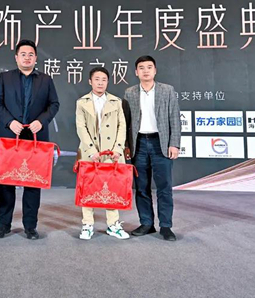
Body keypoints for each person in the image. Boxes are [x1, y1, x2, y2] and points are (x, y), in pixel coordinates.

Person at [0, 40, 60, 240]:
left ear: (35, 58)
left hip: (35, 137)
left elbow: (54, 104)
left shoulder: (45, 80)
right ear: (16, 57)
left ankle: (30, 226)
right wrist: (9, 122)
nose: (27, 58)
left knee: (33, 183)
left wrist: (42, 121)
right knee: (6, 183)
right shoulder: (5, 77)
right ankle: (3, 225)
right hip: (10, 135)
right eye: (23, 54)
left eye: (31, 54)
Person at [124, 55, 181, 241]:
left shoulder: (167, 90)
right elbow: (125, 122)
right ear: (136, 72)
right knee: (141, 187)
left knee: (164, 187)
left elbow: (174, 118)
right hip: (139, 144)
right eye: (141, 68)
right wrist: (126, 145)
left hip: (161, 143)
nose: (145, 71)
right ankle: (147, 223)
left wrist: (174, 143)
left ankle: (166, 226)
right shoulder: (130, 93)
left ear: (155, 70)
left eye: (149, 67)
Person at [75, 67, 130, 240]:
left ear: (108, 82)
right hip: (89, 153)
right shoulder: (81, 102)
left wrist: (118, 149)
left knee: (111, 188)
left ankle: (113, 225)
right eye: (97, 79)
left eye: (104, 79)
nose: (100, 83)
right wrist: (91, 150)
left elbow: (122, 126)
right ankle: (87, 225)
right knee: (88, 188)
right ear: (90, 81)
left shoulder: (116, 101)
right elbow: (81, 128)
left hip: (111, 153)